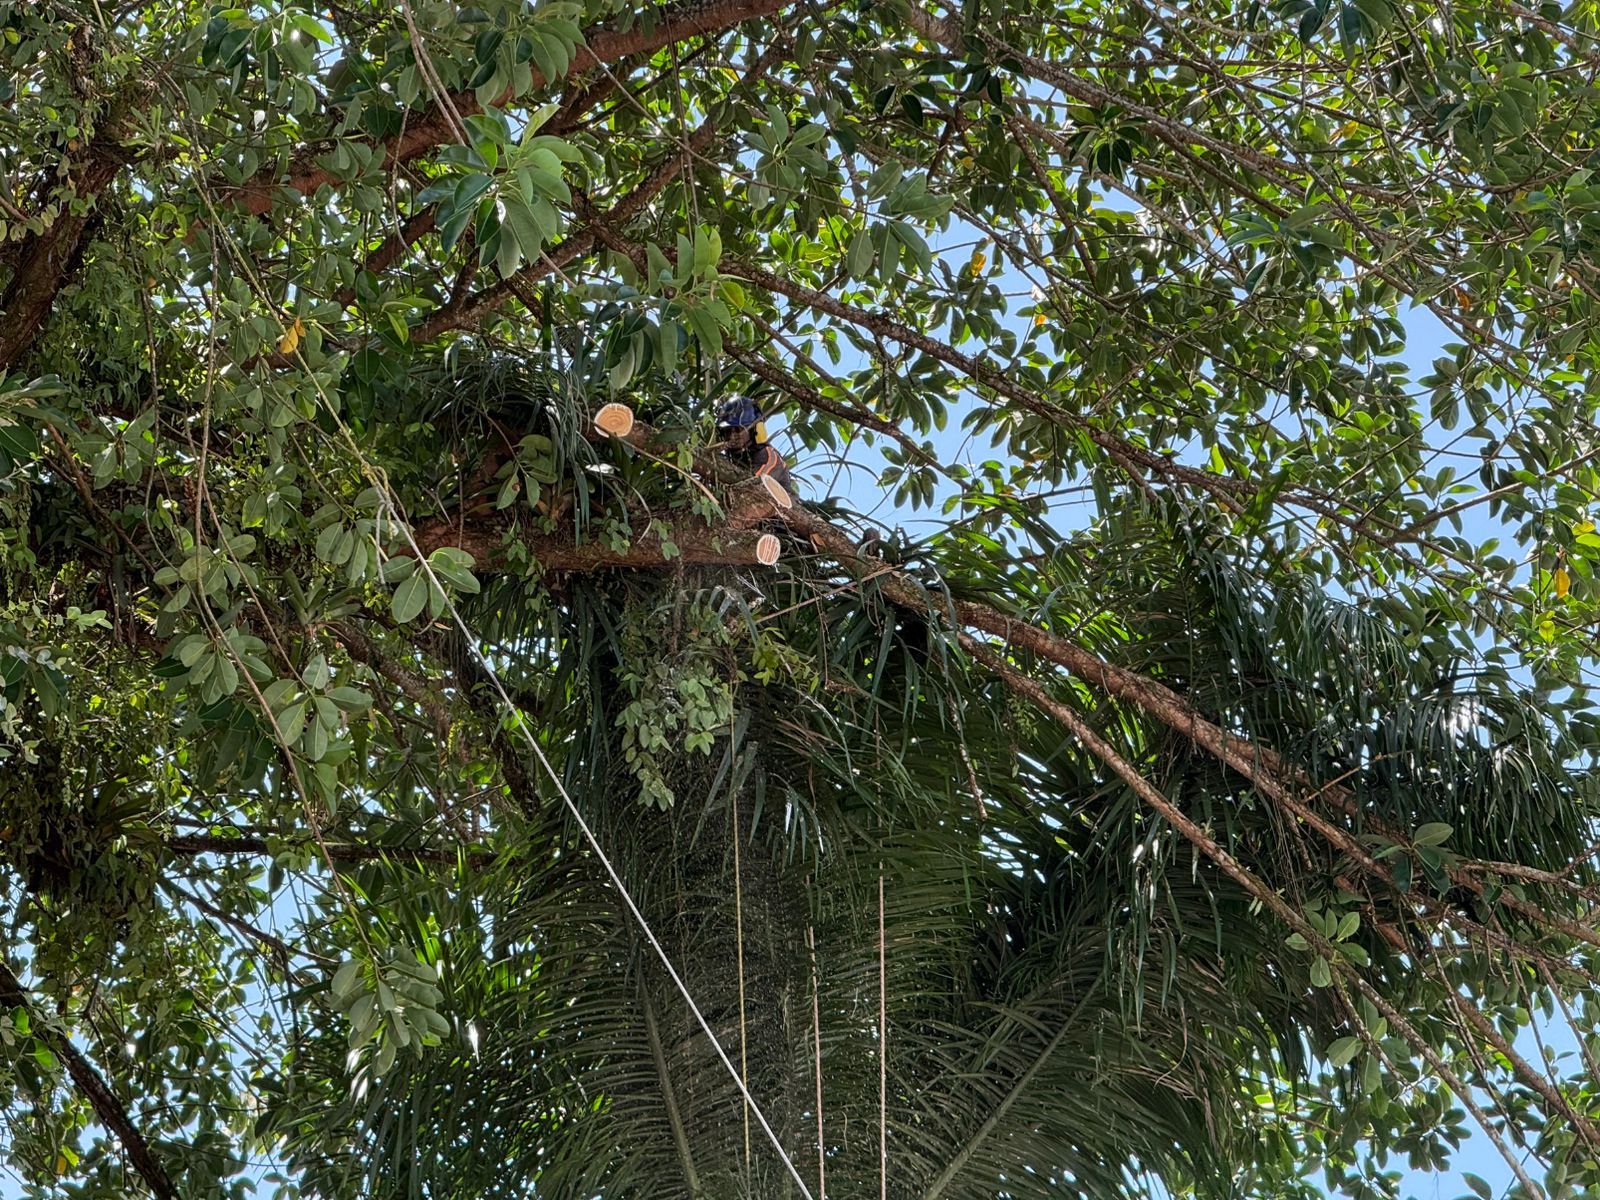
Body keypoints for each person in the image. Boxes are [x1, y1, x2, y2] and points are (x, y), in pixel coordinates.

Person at [715, 397, 794, 499]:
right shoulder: (734, 457)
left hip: (777, 507)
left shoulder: (768, 456)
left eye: (738, 430)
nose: (732, 436)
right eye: (727, 431)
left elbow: (753, 487)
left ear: (753, 429)